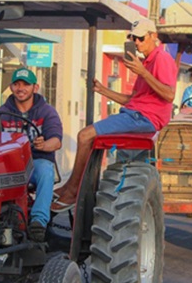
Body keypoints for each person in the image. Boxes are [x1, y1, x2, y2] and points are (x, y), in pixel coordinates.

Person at [52, 18, 178, 213]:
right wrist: (103, 90)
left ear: (154, 37)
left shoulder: (161, 59)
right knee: (89, 139)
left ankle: (73, 191)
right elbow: (133, 100)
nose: (136, 42)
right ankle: (71, 187)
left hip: (143, 118)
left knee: (85, 136)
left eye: (140, 38)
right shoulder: (147, 62)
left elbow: (169, 95)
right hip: (135, 113)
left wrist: (143, 73)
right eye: (133, 38)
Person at [0, 67, 62, 242]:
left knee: (45, 170)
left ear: (35, 88)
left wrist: (44, 145)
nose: (21, 88)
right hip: (10, 166)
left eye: (25, 84)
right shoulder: (1, 113)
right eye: (16, 84)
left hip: (36, 162)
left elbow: (56, 141)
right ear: (11, 87)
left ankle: (38, 221)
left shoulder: (46, 112)